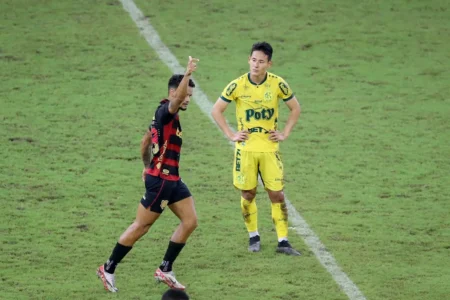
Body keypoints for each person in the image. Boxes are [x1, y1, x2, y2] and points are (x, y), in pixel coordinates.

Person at [97, 56, 200, 292]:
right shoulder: (167, 110)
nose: (188, 100)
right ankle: (108, 268)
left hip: (172, 179)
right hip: (161, 182)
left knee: (190, 221)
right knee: (141, 227)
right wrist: (187, 74)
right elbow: (174, 102)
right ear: (175, 92)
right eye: (186, 95)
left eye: (191, 96)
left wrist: (146, 166)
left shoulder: (165, 116)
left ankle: (165, 268)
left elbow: (145, 141)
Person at [211, 42, 301, 255]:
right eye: (253, 60)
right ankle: (254, 236)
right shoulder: (237, 85)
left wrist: (285, 133)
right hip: (246, 150)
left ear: (269, 63)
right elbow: (217, 110)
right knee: (248, 193)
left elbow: (295, 107)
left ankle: (283, 241)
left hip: (270, 149)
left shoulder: (278, 84)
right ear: (249, 60)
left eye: (261, 61)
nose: (256, 65)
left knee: (277, 194)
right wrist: (231, 135)